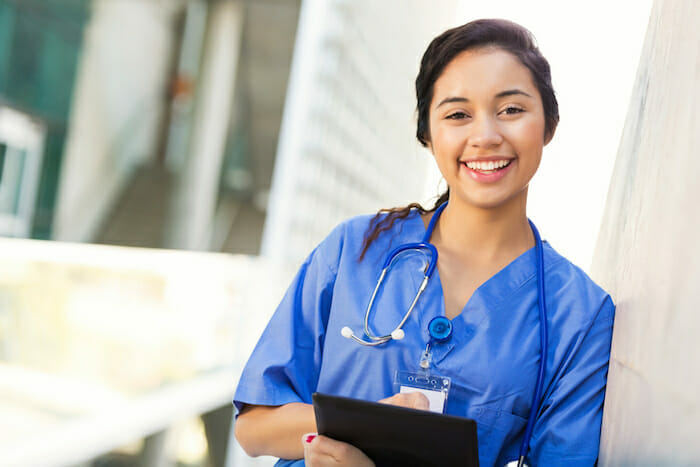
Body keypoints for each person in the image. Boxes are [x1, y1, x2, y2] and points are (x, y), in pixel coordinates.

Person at [233, 18, 615, 467]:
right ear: (427, 135)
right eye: (457, 114)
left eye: (511, 109)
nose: (486, 135)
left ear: (548, 124)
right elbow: (255, 425)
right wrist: (367, 429)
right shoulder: (354, 249)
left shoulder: (579, 318)